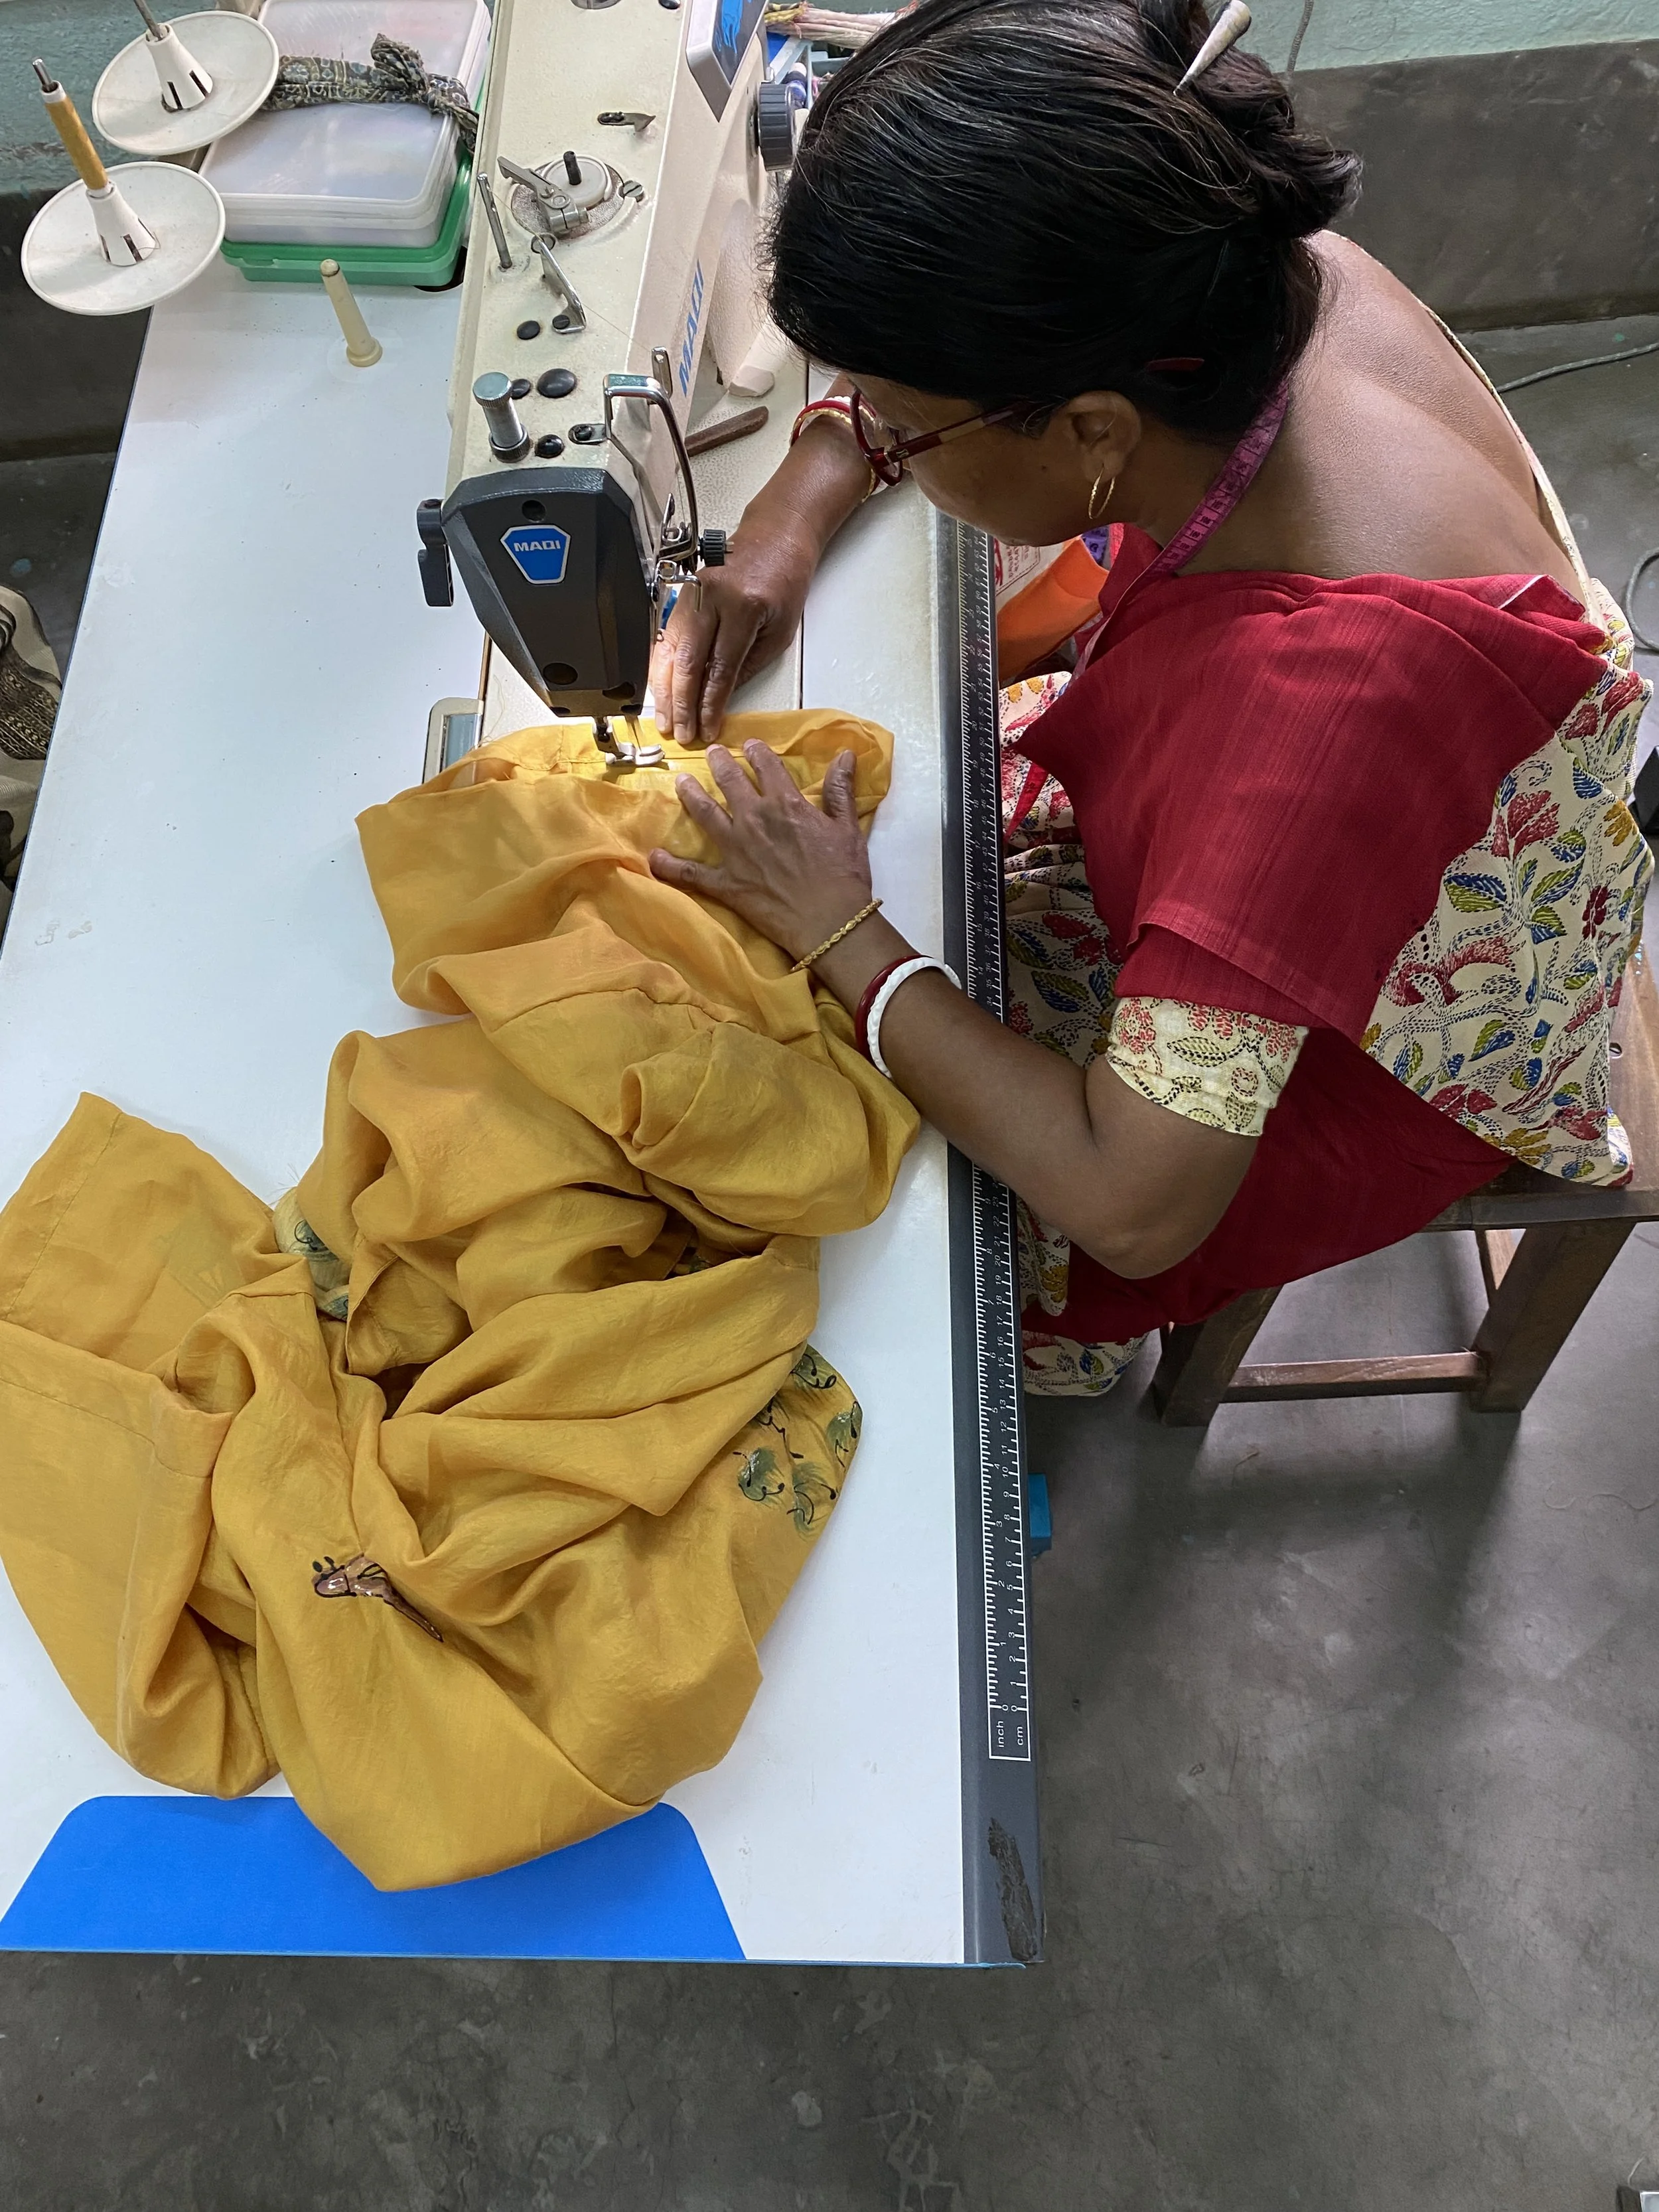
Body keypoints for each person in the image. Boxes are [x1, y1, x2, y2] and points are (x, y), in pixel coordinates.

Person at [646, 0, 1654, 1394]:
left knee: (849, 1234)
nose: (893, 438)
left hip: (1383, 1059)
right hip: (1417, 844)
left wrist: (845, 933)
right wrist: (787, 519)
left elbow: (1127, 1194)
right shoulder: (1235, 268)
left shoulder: (1312, 713)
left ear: (1091, 434)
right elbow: (984, 372)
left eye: (909, 425)